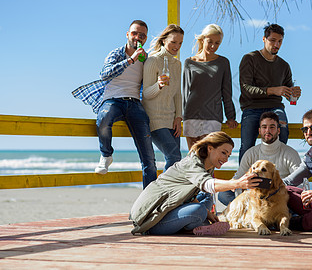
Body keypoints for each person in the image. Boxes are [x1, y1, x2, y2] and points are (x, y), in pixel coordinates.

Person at [72, 20, 157, 188]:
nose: (137, 37)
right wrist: (130, 60)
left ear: (146, 38)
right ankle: (106, 155)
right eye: (134, 33)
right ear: (127, 34)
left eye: (142, 35)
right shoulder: (117, 53)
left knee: (148, 156)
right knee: (104, 118)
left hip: (135, 103)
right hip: (113, 100)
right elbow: (105, 74)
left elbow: (149, 83)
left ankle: (149, 200)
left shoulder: (146, 59)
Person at [129, 131, 261, 236]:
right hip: (151, 220)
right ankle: (196, 227)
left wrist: (209, 214)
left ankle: (200, 223)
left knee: (206, 197)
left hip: (170, 207)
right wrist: (237, 183)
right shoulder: (192, 164)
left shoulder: (208, 165)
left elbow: (189, 195)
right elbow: (208, 184)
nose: (226, 159)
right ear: (210, 148)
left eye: (228, 155)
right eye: (223, 153)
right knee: (199, 210)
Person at [239, 23, 301, 162]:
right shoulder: (250, 58)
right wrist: (273, 90)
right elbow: (246, 89)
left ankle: (276, 174)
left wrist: (294, 94)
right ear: (264, 39)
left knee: (282, 132)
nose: (276, 44)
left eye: (280, 41)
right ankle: (243, 182)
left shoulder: (284, 65)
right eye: (272, 40)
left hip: (275, 108)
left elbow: (289, 96)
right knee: (247, 146)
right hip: (252, 108)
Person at [218, 111, 301, 206]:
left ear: (278, 131)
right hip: (255, 198)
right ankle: (251, 210)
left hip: (279, 197)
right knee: (224, 194)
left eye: (272, 127)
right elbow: (238, 178)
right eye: (264, 127)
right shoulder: (251, 153)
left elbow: (299, 183)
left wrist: (276, 188)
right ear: (259, 130)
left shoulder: (290, 153)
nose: (267, 131)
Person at [183, 24, 238, 149]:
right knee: (193, 158)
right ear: (203, 39)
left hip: (213, 116)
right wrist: (182, 116)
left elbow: (227, 92)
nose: (213, 46)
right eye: (210, 42)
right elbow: (185, 92)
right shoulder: (189, 62)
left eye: (217, 43)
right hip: (191, 115)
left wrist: (231, 117)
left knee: (209, 158)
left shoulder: (223, 62)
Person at [142, 24, 184, 171]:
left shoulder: (178, 64)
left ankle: (171, 193)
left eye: (180, 43)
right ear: (164, 40)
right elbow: (146, 94)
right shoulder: (152, 61)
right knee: (174, 157)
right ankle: (162, 191)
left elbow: (178, 93)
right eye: (173, 42)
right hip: (155, 119)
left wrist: (179, 117)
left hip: (171, 119)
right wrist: (158, 85)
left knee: (176, 161)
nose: (176, 46)